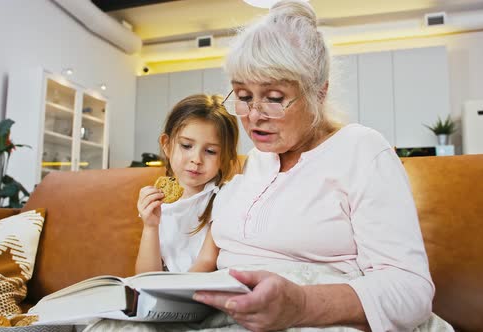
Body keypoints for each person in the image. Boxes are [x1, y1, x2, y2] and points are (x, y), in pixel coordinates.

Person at [190, 1, 453, 332]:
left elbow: (411, 291)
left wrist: (301, 305)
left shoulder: (361, 149)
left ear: (319, 92)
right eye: (243, 96)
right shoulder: (256, 162)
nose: (254, 116)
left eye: (273, 97)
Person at [135, 94, 239, 274]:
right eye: (186, 146)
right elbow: (144, 276)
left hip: (197, 289)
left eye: (210, 151)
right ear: (166, 145)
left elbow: (206, 263)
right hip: (165, 289)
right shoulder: (159, 200)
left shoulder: (225, 195)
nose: (196, 159)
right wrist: (150, 226)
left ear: (224, 157)